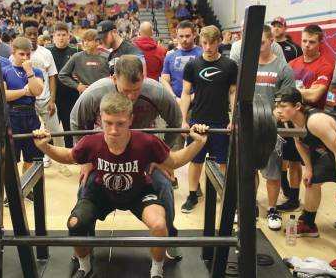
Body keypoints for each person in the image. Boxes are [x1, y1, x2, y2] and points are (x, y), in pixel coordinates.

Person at [35, 92, 208, 278]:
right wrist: (45, 146)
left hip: (138, 192)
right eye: (108, 123)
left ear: (130, 120)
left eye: (120, 123)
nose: (113, 130)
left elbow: (174, 161)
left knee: (159, 225)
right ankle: (85, 267)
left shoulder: (146, 142)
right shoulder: (91, 142)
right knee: (75, 223)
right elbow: (68, 156)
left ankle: (157, 271)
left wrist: (197, 144)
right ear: (101, 119)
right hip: (102, 193)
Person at [70, 55, 183, 261]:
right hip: (104, 153)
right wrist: (86, 159)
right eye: (125, 91)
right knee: (84, 188)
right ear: (114, 79)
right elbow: (76, 122)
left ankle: (169, 239)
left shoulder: (156, 92)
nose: (131, 97)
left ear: (144, 77)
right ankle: (85, 241)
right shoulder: (96, 92)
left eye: (136, 89)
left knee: (165, 186)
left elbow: (175, 120)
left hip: (143, 155)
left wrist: (162, 156)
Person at [276, 87, 336, 270]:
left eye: (283, 106)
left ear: (298, 106)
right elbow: (298, 142)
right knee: (312, 180)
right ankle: (309, 224)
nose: (278, 110)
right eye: (277, 105)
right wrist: (309, 169)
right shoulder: (289, 120)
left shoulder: (316, 121)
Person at [179, 25, 237, 213]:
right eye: (204, 43)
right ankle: (192, 194)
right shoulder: (192, 65)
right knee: (195, 161)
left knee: (222, 162)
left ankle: (224, 194)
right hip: (197, 121)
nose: (208, 47)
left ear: (219, 41)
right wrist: (183, 120)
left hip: (220, 122)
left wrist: (233, 118)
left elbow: (233, 92)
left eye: (212, 43)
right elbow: (186, 93)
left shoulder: (229, 66)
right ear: (200, 42)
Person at [277, 25, 334, 213]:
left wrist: (291, 93)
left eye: (312, 42)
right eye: (304, 41)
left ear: (320, 42)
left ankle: (310, 214)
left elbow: (316, 95)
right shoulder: (292, 64)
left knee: (314, 170)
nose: (307, 45)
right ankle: (293, 198)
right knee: (291, 161)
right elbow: (281, 94)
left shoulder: (325, 65)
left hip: (314, 123)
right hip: (291, 121)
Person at [254, 26, 295, 231]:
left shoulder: (283, 68)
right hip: (248, 126)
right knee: (248, 170)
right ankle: (248, 206)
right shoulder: (246, 66)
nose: (257, 46)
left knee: (272, 172)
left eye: (261, 42)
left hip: (271, 128)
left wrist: (274, 115)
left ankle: (272, 209)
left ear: (271, 41)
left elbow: (285, 99)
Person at [21, 20, 62, 168]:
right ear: (23, 34)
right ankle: (42, 155)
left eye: (35, 34)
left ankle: (60, 157)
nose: (32, 37)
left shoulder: (46, 53)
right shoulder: (20, 54)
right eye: (29, 34)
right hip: (27, 100)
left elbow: (52, 76)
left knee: (55, 130)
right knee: (34, 132)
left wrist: (52, 99)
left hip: (45, 99)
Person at [3, 37, 44, 175]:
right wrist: (25, 91)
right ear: (13, 52)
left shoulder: (36, 71)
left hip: (31, 115)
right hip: (11, 116)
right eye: (21, 54)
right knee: (11, 158)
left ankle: (25, 185)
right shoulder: (5, 71)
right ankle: (14, 191)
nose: (25, 57)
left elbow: (38, 91)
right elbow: (4, 95)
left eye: (28, 54)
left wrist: (29, 71)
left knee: (31, 157)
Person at [47, 22, 79, 149]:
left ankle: (70, 151)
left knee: (68, 126)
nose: (61, 37)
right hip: (52, 96)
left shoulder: (76, 52)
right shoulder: (47, 52)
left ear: (68, 36)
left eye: (63, 35)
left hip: (71, 95)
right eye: (58, 35)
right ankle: (49, 153)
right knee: (50, 127)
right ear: (53, 37)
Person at [161, 20, 203, 104]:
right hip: (176, 102)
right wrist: (174, 98)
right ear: (177, 36)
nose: (184, 39)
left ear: (194, 35)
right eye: (181, 36)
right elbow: (165, 80)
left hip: (198, 102)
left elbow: (207, 81)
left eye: (187, 36)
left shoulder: (203, 54)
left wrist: (189, 99)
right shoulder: (170, 56)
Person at [58, 29, 109, 94]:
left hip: (104, 95)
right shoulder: (77, 56)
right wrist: (77, 86)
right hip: (85, 95)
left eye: (89, 40)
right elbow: (62, 75)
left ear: (97, 42)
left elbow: (115, 77)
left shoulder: (107, 57)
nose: (86, 43)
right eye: (84, 40)